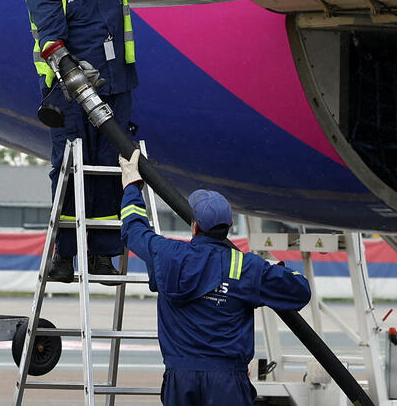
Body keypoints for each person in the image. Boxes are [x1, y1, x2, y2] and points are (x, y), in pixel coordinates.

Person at [26, 0, 170, 283]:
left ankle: (105, 253)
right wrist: (74, 74)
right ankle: (65, 255)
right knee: (69, 171)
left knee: (112, 168)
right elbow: (51, 43)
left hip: (118, 88)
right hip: (70, 100)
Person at [118, 150, 311, 406]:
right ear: (230, 226)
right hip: (227, 382)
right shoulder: (246, 267)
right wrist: (276, 269)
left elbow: (133, 229)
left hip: (180, 379)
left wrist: (132, 186)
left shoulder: (168, 254)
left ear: (195, 225)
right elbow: (300, 291)